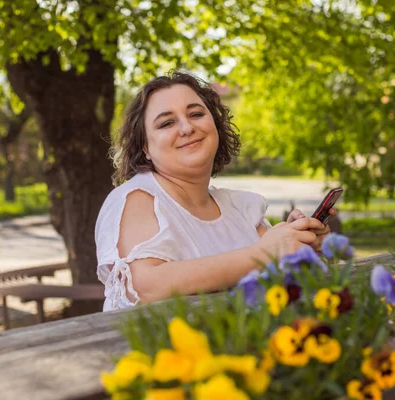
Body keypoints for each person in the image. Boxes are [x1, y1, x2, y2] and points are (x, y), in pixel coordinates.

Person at [95, 71, 335, 311]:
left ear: (215, 125)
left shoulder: (240, 208)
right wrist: (264, 254)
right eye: (167, 123)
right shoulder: (136, 198)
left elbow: (276, 272)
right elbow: (143, 286)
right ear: (145, 147)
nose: (187, 127)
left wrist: (298, 241)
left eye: (196, 114)